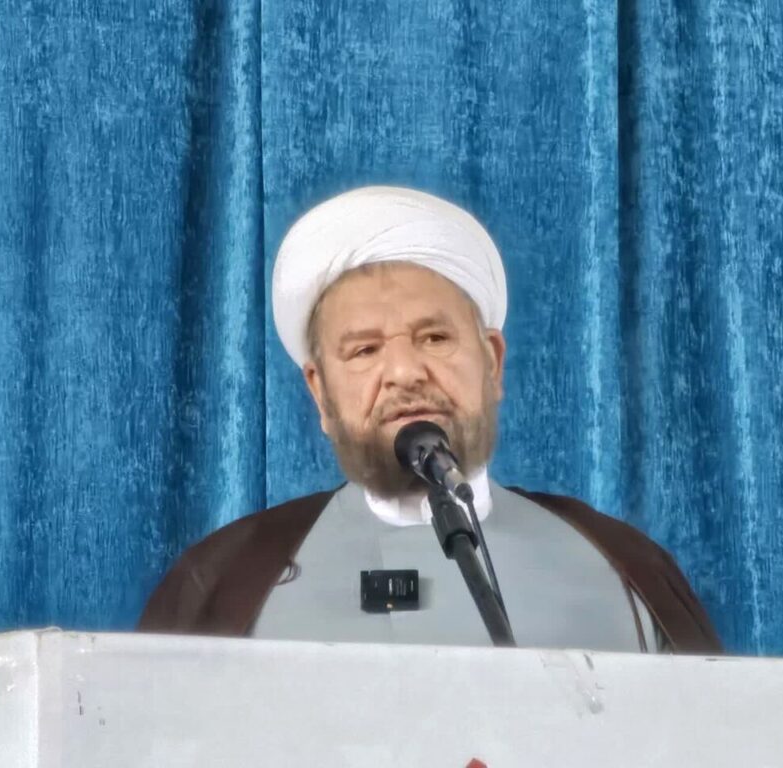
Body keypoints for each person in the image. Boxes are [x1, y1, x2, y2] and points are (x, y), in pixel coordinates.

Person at [139, 186, 721, 653]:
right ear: (320, 393)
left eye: (435, 338)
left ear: (492, 363)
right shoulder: (225, 579)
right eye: (365, 350)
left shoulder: (622, 566)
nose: (404, 373)